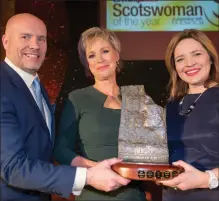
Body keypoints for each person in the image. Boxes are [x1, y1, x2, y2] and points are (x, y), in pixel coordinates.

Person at [0, 13, 130, 201]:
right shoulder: (4, 86)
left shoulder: (38, 88)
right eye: (25, 37)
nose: (35, 45)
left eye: (41, 39)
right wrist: (89, 174)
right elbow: (13, 167)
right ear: (5, 41)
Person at [53, 27, 146, 200]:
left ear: (116, 55)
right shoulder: (77, 99)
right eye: (91, 55)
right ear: (87, 63)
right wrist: (97, 170)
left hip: (133, 194)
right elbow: (61, 150)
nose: (100, 60)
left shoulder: (137, 98)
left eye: (105, 51)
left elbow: (150, 148)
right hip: (94, 194)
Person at [159, 29, 219, 201]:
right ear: (175, 67)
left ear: (210, 57)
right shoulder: (171, 106)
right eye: (180, 59)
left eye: (196, 54)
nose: (189, 63)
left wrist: (206, 179)